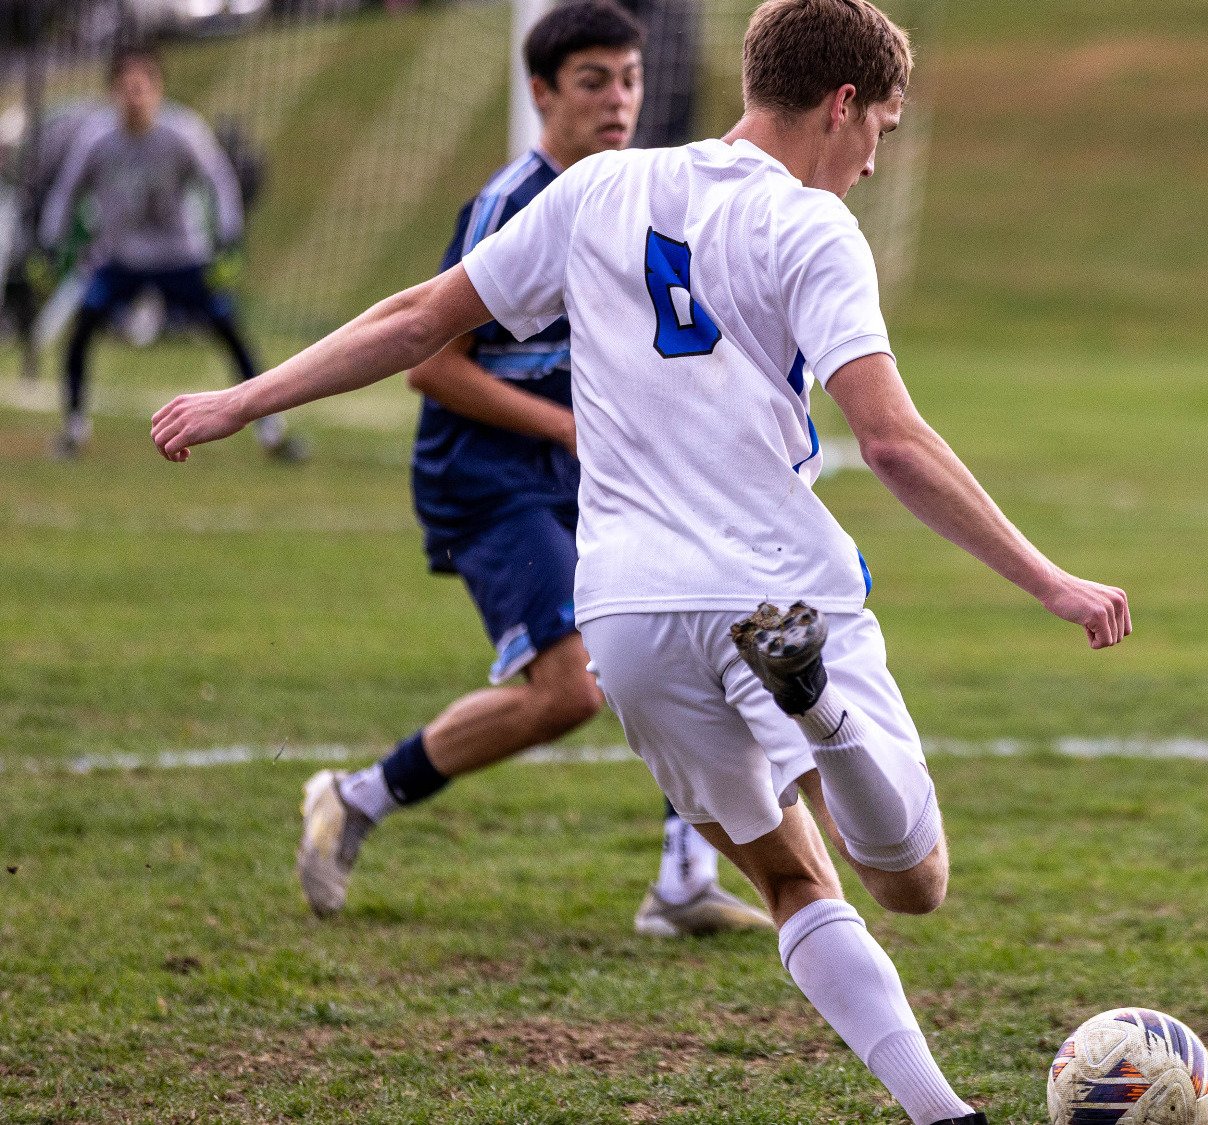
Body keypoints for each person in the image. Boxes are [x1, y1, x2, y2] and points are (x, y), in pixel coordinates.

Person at [151, 1, 1131, 1120]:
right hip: (776, 589)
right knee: (912, 881)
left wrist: (243, 396)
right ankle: (820, 717)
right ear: (842, 103)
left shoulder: (598, 191)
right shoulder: (811, 230)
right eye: (881, 132)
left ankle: (940, 1114)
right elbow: (894, 442)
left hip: (628, 614)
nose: (871, 161)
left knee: (788, 881)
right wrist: (1049, 579)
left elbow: (421, 316)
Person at [292, 1, 770, 940]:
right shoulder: (512, 203)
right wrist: (565, 425)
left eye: (630, 81)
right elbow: (431, 362)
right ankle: (355, 797)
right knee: (566, 693)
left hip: (581, 480)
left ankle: (683, 877)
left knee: (707, 617)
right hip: (487, 476)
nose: (618, 101)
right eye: (594, 82)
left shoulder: (637, 197)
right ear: (541, 91)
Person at [39, 44, 302, 462]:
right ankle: (74, 428)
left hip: (180, 256)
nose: (135, 96)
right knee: (82, 330)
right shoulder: (97, 140)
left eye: (142, 86)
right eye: (126, 87)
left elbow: (218, 180)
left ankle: (271, 429)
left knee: (228, 329)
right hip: (120, 258)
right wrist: (51, 242)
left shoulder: (183, 132)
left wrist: (229, 239)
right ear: (112, 92)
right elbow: (69, 190)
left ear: (158, 89)